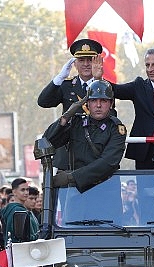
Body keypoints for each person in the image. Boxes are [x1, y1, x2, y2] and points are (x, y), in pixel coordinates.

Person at [93, 47, 154, 169]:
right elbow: (116, 90)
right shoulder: (138, 86)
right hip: (144, 149)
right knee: (145, 188)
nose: (150, 69)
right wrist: (99, 79)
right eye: (147, 65)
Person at [44, 79, 126, 193]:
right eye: (93, 100)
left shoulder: (116, 128)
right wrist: (65, 118)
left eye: (103, 101)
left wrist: (71, 177)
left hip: (105, 191)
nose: (98, 105)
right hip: (77, 192)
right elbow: (47, 142)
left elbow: (107, 163)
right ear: (87, 103)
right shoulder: (76, 122)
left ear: (111, 104)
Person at [38, 38, 106, 170]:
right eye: (81, 60)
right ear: (74, 63)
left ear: (97, 62)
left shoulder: (105, 86)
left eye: (90, 60)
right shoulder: (67, 85)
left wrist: (98, 81)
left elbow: (109, 113)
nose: (86, 64)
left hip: (94, 151)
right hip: (69, 152)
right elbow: (43, 102)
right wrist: (59, 78)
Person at [1, 178, 39, 267]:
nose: (26, 193)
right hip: (21, 256)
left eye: (27, 189)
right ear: (14, 192)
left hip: (25, 255)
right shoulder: (16, 211)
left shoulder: (23, 209)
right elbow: (19, 236)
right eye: (22, 190)